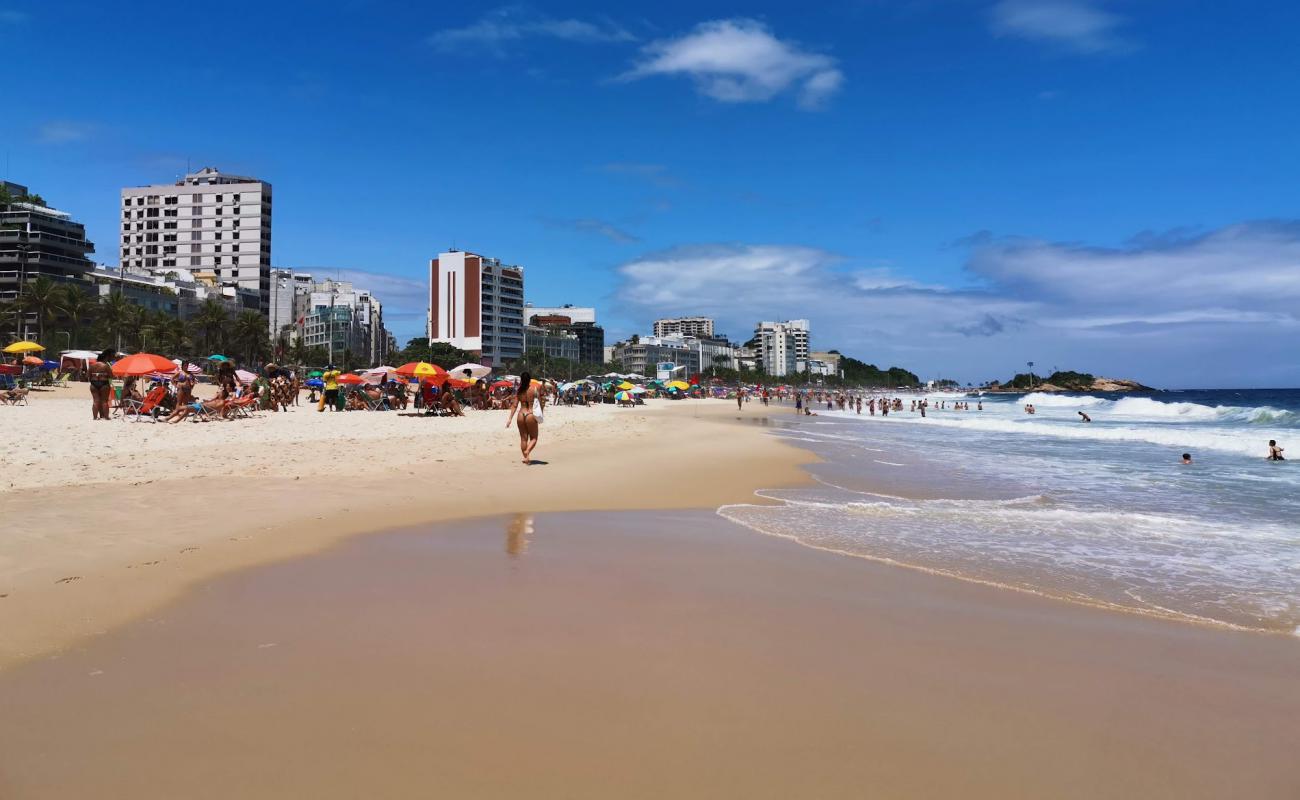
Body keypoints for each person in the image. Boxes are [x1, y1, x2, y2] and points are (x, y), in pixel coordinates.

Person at [505, 371, 543, 464]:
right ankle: (527, 452)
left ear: (521, 380)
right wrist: (541, 413)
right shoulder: (534, 389)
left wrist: (510, 419)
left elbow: (514, 405)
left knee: (523, 438)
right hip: (530, 414)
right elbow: (540, 403)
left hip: (521, 414)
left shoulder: (519, 391)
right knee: (534, 438)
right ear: (530, 380)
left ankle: (527, 458)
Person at [88, 350, 115, 420]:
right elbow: (111, 376)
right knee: (104, 401)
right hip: (104, 383)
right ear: (104, 358)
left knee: (96, 401)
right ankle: (106, 417)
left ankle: (94, 417)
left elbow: (87, 376)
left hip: (94, 384)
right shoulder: (106, 366)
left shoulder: (92, 366)